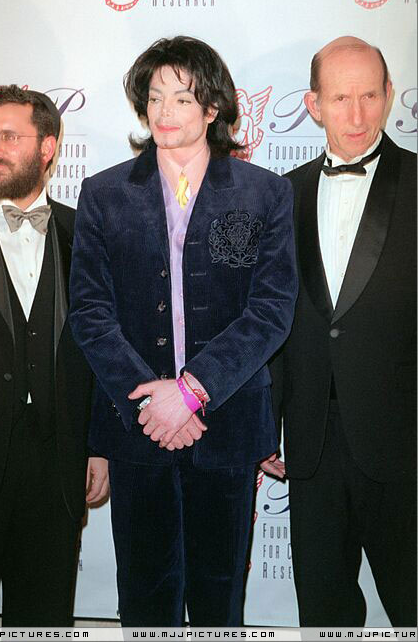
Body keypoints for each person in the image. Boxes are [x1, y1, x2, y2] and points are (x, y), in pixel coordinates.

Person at [69, 35, 298, 627]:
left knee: (220, 602)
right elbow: (89, 312)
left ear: (213, 108)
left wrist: (192, 391)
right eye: (154, 97)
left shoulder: (265, 193)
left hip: (227, 423)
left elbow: (271, 310)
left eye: (181, 98)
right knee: (144, 598)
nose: (164, 112)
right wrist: (151, 403)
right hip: (136, 426)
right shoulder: (103, 194)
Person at [0, 85, 108, 627]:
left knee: (43, 623)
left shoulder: (85, 235)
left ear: (48, 147)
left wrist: (99, 447)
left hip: (57, 473)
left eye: (9, 137)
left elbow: (103, 355)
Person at [266, 36, 417, 626]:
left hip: (405, 445)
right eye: (340, 98)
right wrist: (265, 424)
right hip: (311, 447)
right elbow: (271, 321)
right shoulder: (282, 195)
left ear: (389, 95)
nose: (357, 115)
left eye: (370, 96)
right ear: (313, 104)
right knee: (324, 615)